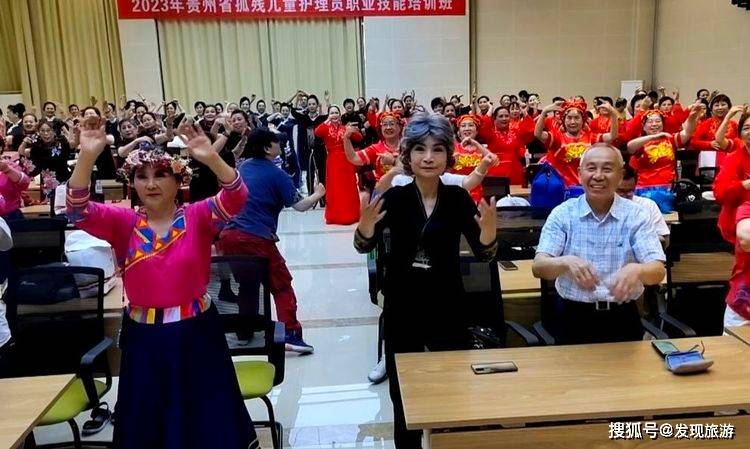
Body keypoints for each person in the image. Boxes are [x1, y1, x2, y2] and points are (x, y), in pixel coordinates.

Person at [66, 116, 257, 449]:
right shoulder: (123, 222)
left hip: (196, 334)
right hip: (145, 339)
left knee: (205, 417)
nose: (150, 184)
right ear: (132, 183)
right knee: (149, 421)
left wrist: (211, 157)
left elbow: (237, 196)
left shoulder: (198, 216)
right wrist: (86, 156)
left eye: (160, 175)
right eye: (142, 176)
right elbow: (77, 209)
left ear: (178, 180)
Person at [354, 113, 497, 448]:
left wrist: (489, 234)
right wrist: (365, 228)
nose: (429, 157)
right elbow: (363, 246)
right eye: (420, 149)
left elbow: (485, 254)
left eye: (437, 149)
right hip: (402, 307)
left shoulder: (458, 198)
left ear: (448, 155)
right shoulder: (395, 199)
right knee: (403, 393)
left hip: (448, 305)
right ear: (408, 155)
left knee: (452, 387)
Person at [531, 144, 666, 345]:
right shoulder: (563, 213)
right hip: (572, 316)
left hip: (623, 317)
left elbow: (658, 271)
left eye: (607, 169)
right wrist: (565, 262)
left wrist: (637, 269)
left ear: (620, 176)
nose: (598, 176)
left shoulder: (637, 215)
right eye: (591, 168)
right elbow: (539, 267)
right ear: (579, 174)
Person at [218, 128, 325, 354]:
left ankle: (245, 333)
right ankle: (290, 333)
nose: (281, 145)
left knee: (247, 285)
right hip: (255, 237)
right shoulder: (277, 174)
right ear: (268, 148)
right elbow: (300, 206)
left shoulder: (243, 167)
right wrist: (317, 194)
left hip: (229, 236)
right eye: (277, 142)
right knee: (281, 284)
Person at [535, 99, 619, 187]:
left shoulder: (591, 138)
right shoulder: (557, 138)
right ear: (564, 120)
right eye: (569, 118)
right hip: (562, 188)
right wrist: (544, 112)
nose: (573, 122)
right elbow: (538, 134)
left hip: (586, 187)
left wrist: (613, 114)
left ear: (583, 120)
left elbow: (612, 136)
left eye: (577, 118)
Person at [626, 103, 702, 200]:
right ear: (644, 127)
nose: (654, 124)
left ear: (663, 124)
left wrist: (692, 116)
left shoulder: (670, 139)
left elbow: (687, 133)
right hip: (646, 189)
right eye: (650, 122)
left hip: (668, 188)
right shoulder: (641, 143)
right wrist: (654, 137)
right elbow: (630, 146)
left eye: (658, 121)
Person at [315, 105, 362, 225]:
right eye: (332, 113)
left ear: (340, 115)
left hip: (346, 159)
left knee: (348, 186)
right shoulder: (325, 128)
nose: (334, 115)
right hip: (332, 161)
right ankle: (335, 216)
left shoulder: (345, 128)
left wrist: (352, 130)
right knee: (335, 187)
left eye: (336, 113)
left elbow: (359, 138)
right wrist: (327, 120)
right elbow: (317, 132)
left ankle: (352, 214)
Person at [712, 105, 750, 244]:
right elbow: (720, 193)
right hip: (741, 215)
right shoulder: (734, 157)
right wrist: (745, 185)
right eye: (746, 128)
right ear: (740, 134)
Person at [342, 111, 402, 191]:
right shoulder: (376, 149)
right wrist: (346, 138)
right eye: (384, 124)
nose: (388, 127)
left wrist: (394, 161)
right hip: (384, 192)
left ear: (399, 127)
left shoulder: (408, 147)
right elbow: (354, 158)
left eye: (392, 124)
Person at [617, 166, 670, 247]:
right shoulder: (603, 207)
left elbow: (664, 239)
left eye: (631, 191)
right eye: (621, 191)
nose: (626, 195)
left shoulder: (648, 205)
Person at [480, 105, 535, 184]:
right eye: (501, 116)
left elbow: (529, 131)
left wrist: (524, 112)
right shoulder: (491, 134)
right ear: (494, 119)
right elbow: (483, 126)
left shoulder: (516, 132)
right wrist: (490, 109)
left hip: (515, 172)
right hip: (495, 173)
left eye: (506, 116)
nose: (504, 118)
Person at [690, 94, 734, 170]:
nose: (720, 108)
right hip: (708, 164)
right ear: (711, 109)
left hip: (730, 162)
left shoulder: (734, 125)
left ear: (729, 107)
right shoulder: (706, 124)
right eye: (716, 105)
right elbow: (693, 142)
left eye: (723, 104)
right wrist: (709, 144)